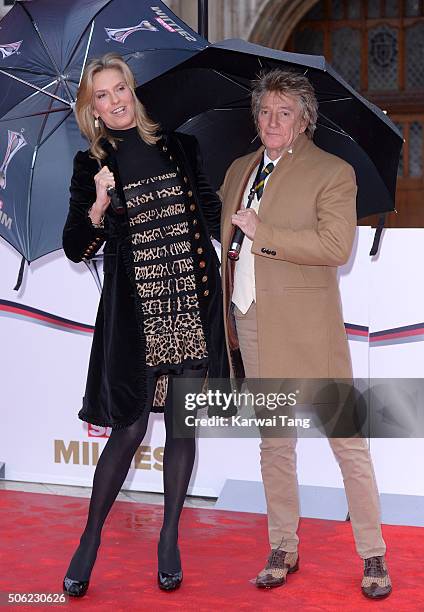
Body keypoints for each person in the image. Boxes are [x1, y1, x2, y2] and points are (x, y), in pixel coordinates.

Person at [219, 69, 391, 599]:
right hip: (250, 321)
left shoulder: (333, 172)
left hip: (310, 329)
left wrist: (261, 233)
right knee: (275, 443)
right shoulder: (237, 169)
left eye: (284, 113)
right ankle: (283, 546)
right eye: (266, 112)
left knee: (347, 442)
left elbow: (336, 247)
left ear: (304, 120)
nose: (273, 121)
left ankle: (373, 554)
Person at [62, 52, 228, 597]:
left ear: (133, 91)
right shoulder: (92, 166)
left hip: (186, 297)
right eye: (102, 98)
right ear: (92, 111)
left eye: (120, 90)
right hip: (137, 311)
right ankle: (89, 539)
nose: (115, 102)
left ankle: (170, 537)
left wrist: (239, 229)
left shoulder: (180, 146)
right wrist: (101, 202)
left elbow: (208, 210)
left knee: (182, 425)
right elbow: (75, 247)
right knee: (129, 429)